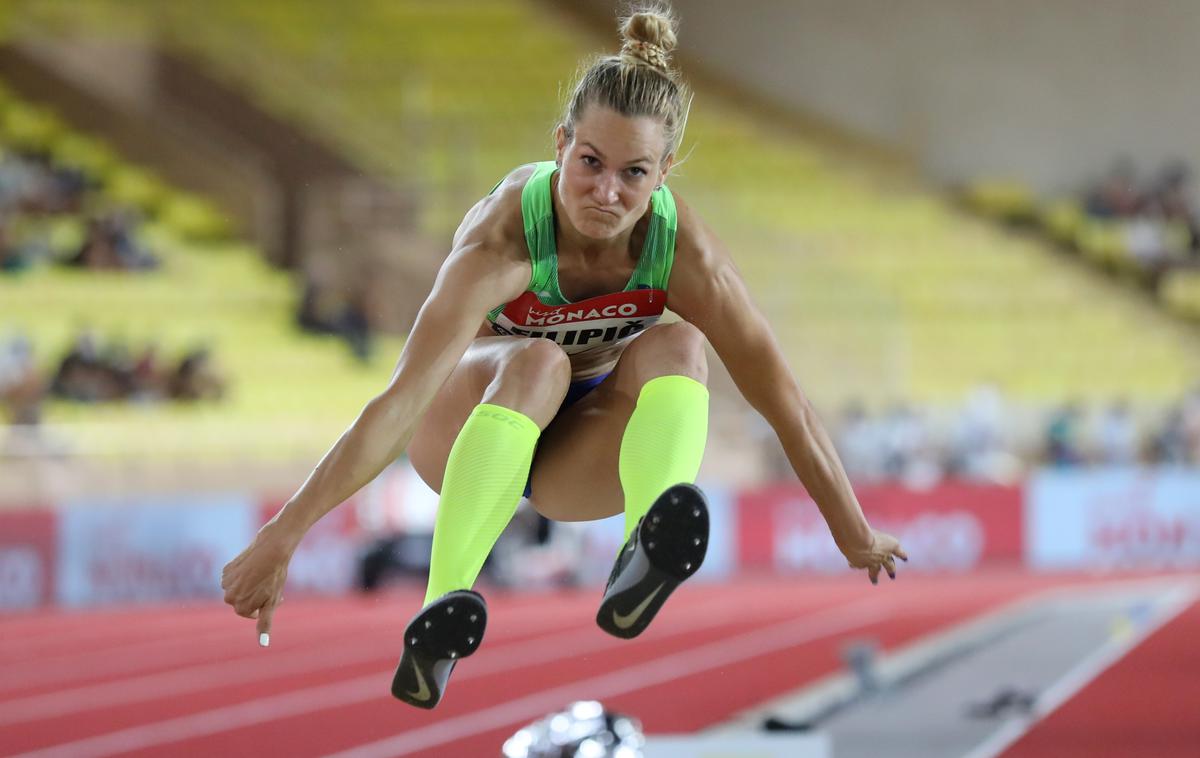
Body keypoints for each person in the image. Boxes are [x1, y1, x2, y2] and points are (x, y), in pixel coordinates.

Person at [220, 2, 906, 710]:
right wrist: (284, 534)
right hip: (464, 433)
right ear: (559, 145)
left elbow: (781, 399)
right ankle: (441, 612)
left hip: (574, 456)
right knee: (537, 361)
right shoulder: (506, 239)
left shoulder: (684, 253)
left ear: (664, 174)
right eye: (590, 163)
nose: (606, 193)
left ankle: (642, 549)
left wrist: (852, 534)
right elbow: (401, 404)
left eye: (633, 173)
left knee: (681, 343)